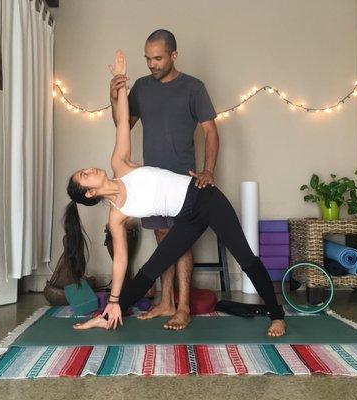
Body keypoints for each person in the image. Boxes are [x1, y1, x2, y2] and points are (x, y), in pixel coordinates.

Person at [67, 51, 286, 337]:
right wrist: (114, 300)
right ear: (91, 191)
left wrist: (118, 83)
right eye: (85, 175)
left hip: (205, 197)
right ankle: (105, 317)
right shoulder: (116, 216)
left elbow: (123, 123)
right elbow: (119, 261)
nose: (90, 168)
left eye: (84, 169)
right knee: (150, 268)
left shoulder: (120, 165)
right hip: (186, 217)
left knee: (245, 257)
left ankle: (277, 316)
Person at [110, 29, 219, 330]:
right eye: (147, 59)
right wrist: (113, 95)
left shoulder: (194, 88)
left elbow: (211, 131)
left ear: (173, 55)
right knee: (162, 239)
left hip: (183, 181)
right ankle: (165, 301)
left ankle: (182, 306)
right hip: (150, 182)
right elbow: (122, 126)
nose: (152, 64)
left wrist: (208, 170)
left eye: (157, 58)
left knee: (180, 242)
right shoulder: (143, 88)